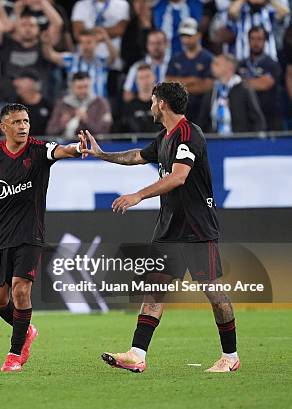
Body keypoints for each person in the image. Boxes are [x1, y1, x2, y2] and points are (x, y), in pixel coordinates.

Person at [83, 81, 239, 373]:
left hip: (196, 229)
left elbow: (179, 176)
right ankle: (137, 353)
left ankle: (230, 356)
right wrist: (102, 154)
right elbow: (137, 156)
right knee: (154, 291)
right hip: (169, 229)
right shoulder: (165, 137)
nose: (150, 106)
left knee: (214, 294)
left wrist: (138, 195)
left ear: (162, 104)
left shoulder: (189, 134)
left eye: (153, 101)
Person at [0, 103, 90, 372]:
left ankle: (13, 355)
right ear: (4, 127)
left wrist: (76, 148)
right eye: (17, 122)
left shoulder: (38, 149)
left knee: (21, 289)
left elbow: (60, 150)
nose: (23, 126)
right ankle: (27, 331)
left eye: (26, 121)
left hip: (29, 235)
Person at [198, 53, 265, 133]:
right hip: (216, 141)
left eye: (217, 64)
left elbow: (258, 120)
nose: (212, 66)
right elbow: (202, 121)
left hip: (239, 141)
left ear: (229, 67)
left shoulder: (244, 90)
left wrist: (253, 142)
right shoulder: (212, 91)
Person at [165, 17, 214, 122]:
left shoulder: (208, 59)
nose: (186, 39)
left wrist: (179, 86)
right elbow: (168, 83)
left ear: (199, 35)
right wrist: (193, 80)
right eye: (183, 36)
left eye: (189, 35)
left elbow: (208, 86)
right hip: (179, 111)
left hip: (201, 110)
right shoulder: (175, 59)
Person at [238, 26, 283, 130]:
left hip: (270, 118)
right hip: (248, 118)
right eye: (252, 39)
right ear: (248, 41)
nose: (255, 43)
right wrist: (254, 82)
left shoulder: (272, 64)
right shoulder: (241, 64)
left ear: (265, 41)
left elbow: (264, 84)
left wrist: (242, 83)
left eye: (259, 39)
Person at [46, 72, 112, 137]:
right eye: (79, 87)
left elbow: (104, 131)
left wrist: (86, 120)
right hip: (66, 144)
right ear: (72, 87)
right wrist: (63, 123)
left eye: (86, 87)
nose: (83, 91)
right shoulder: (63, 104)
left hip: (93, 145)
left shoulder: (100, 103)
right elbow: (50, 131)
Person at [123, 30, 169, 102]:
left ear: (166, 44)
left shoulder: (175, 64)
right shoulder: (137, 67)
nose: (155, 47)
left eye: (159, 43)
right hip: (144, 107)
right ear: (147, 45)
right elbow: (127, 94)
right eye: (152, 43)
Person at [120, 64, 164, 133]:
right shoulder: (129, 107)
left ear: (154, 78)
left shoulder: (163, 105)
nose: (145, 81)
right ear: (136, 81)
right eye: (141, 78)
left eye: (147, 76)